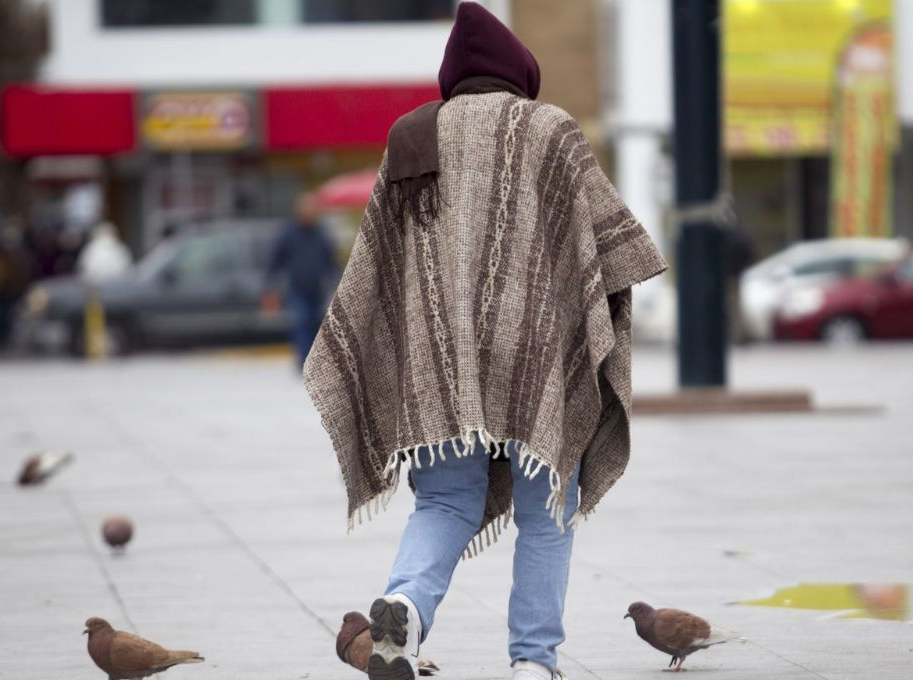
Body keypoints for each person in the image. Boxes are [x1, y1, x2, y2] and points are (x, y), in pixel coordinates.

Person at [302, 5, 666, 680]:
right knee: (547, 510)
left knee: (444, 501)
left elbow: (377, 270)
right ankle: (533, 662)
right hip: (538, 358)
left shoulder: (411, 136)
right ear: (517, 71)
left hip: (439, 367)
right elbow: (612, 245)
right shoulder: (550, 129)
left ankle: (401, 611)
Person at [268, 192, 338, 369]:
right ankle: (303, 361)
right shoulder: (288, 234)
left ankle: (314, 362)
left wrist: (335, 281)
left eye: (313, 207)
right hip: (297, 288)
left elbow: (330, 261)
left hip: (317, 288)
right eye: (307, 207)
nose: (311, 211)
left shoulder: (321, 234)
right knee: (302, 322)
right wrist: (271, 286)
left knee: (316, 325)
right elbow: (276, 261)